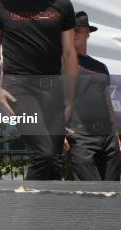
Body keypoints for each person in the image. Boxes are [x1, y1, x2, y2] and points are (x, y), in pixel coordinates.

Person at [0, 0, 78, 180]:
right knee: (44, 154)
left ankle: (46, 215)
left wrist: (70, 97)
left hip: (54, 90)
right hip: (19, 88)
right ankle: (24, 211)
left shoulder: (61, 4)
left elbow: (69, 54)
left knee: (55, 159)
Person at [65, 11, 120, 181]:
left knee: (113, 192)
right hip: (79, 137)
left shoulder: (100, 66)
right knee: (91, 193)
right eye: (72, 30)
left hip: (108, 137)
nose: (75, 34)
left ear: (88, 33)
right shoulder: (59, 63)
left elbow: (107, 102)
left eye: (80, 30)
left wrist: (116, 134)